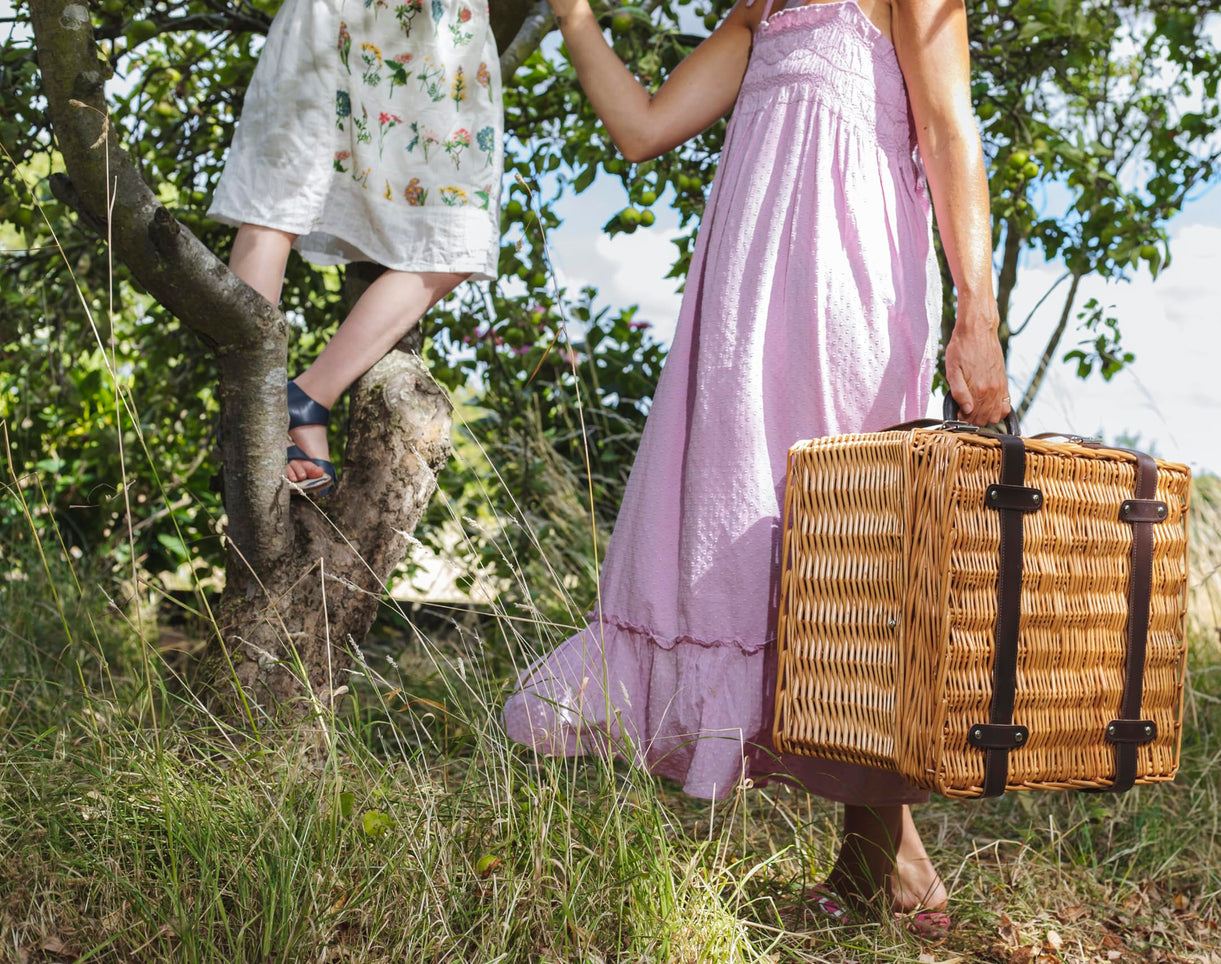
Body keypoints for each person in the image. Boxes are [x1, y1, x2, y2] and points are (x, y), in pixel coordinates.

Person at [504, 0, 1008, 934]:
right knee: (749, 547)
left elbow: (947, 129)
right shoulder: (761, 10)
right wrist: (574, 19)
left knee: (846, 558)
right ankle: (878, 868)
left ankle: (890, 862)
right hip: (742, 309)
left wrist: (976, 319)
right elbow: (642, 127)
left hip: (848, 293)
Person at [209, 0, 504, 494]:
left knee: (460, 240)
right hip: (337, 16)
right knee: (279, 197)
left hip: (447, 40)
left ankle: (307, 396)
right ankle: (253, 413)